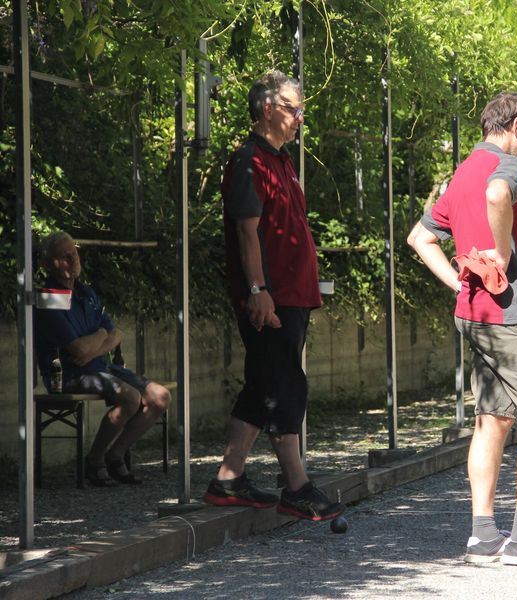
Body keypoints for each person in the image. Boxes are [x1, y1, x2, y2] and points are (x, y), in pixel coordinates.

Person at [407, 91, 517, 567]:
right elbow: (498, 194)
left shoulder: (462, 169)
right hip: (508, 316)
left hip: (475, 314)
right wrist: (500, 256)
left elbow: (420, 238)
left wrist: (457, 283)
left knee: (494, 420)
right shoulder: (504, 166)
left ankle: (483, 537)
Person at [203, 71, 344, 521]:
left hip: (292, 294)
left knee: (264, 382)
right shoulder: (248, 162)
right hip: (271, 298)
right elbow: (248, 234)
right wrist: (258, 290)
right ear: (268, 108)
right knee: (284, 385)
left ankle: (228, 479)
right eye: (293, 107)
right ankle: (297, 487)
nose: (300, 117)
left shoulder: (283, 161)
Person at [34, 231, 171, 486]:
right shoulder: (49, 299)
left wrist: (94, 344)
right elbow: (77, 350)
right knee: (130, 397)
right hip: (66, 374)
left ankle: (115, 455)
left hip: (100, 367)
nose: (72, 260)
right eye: (63, 257)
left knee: (160, 396)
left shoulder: (86, 293)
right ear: (47, 264)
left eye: (73, 253)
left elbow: (116, 333)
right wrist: (100, 336)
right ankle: (95, 461)